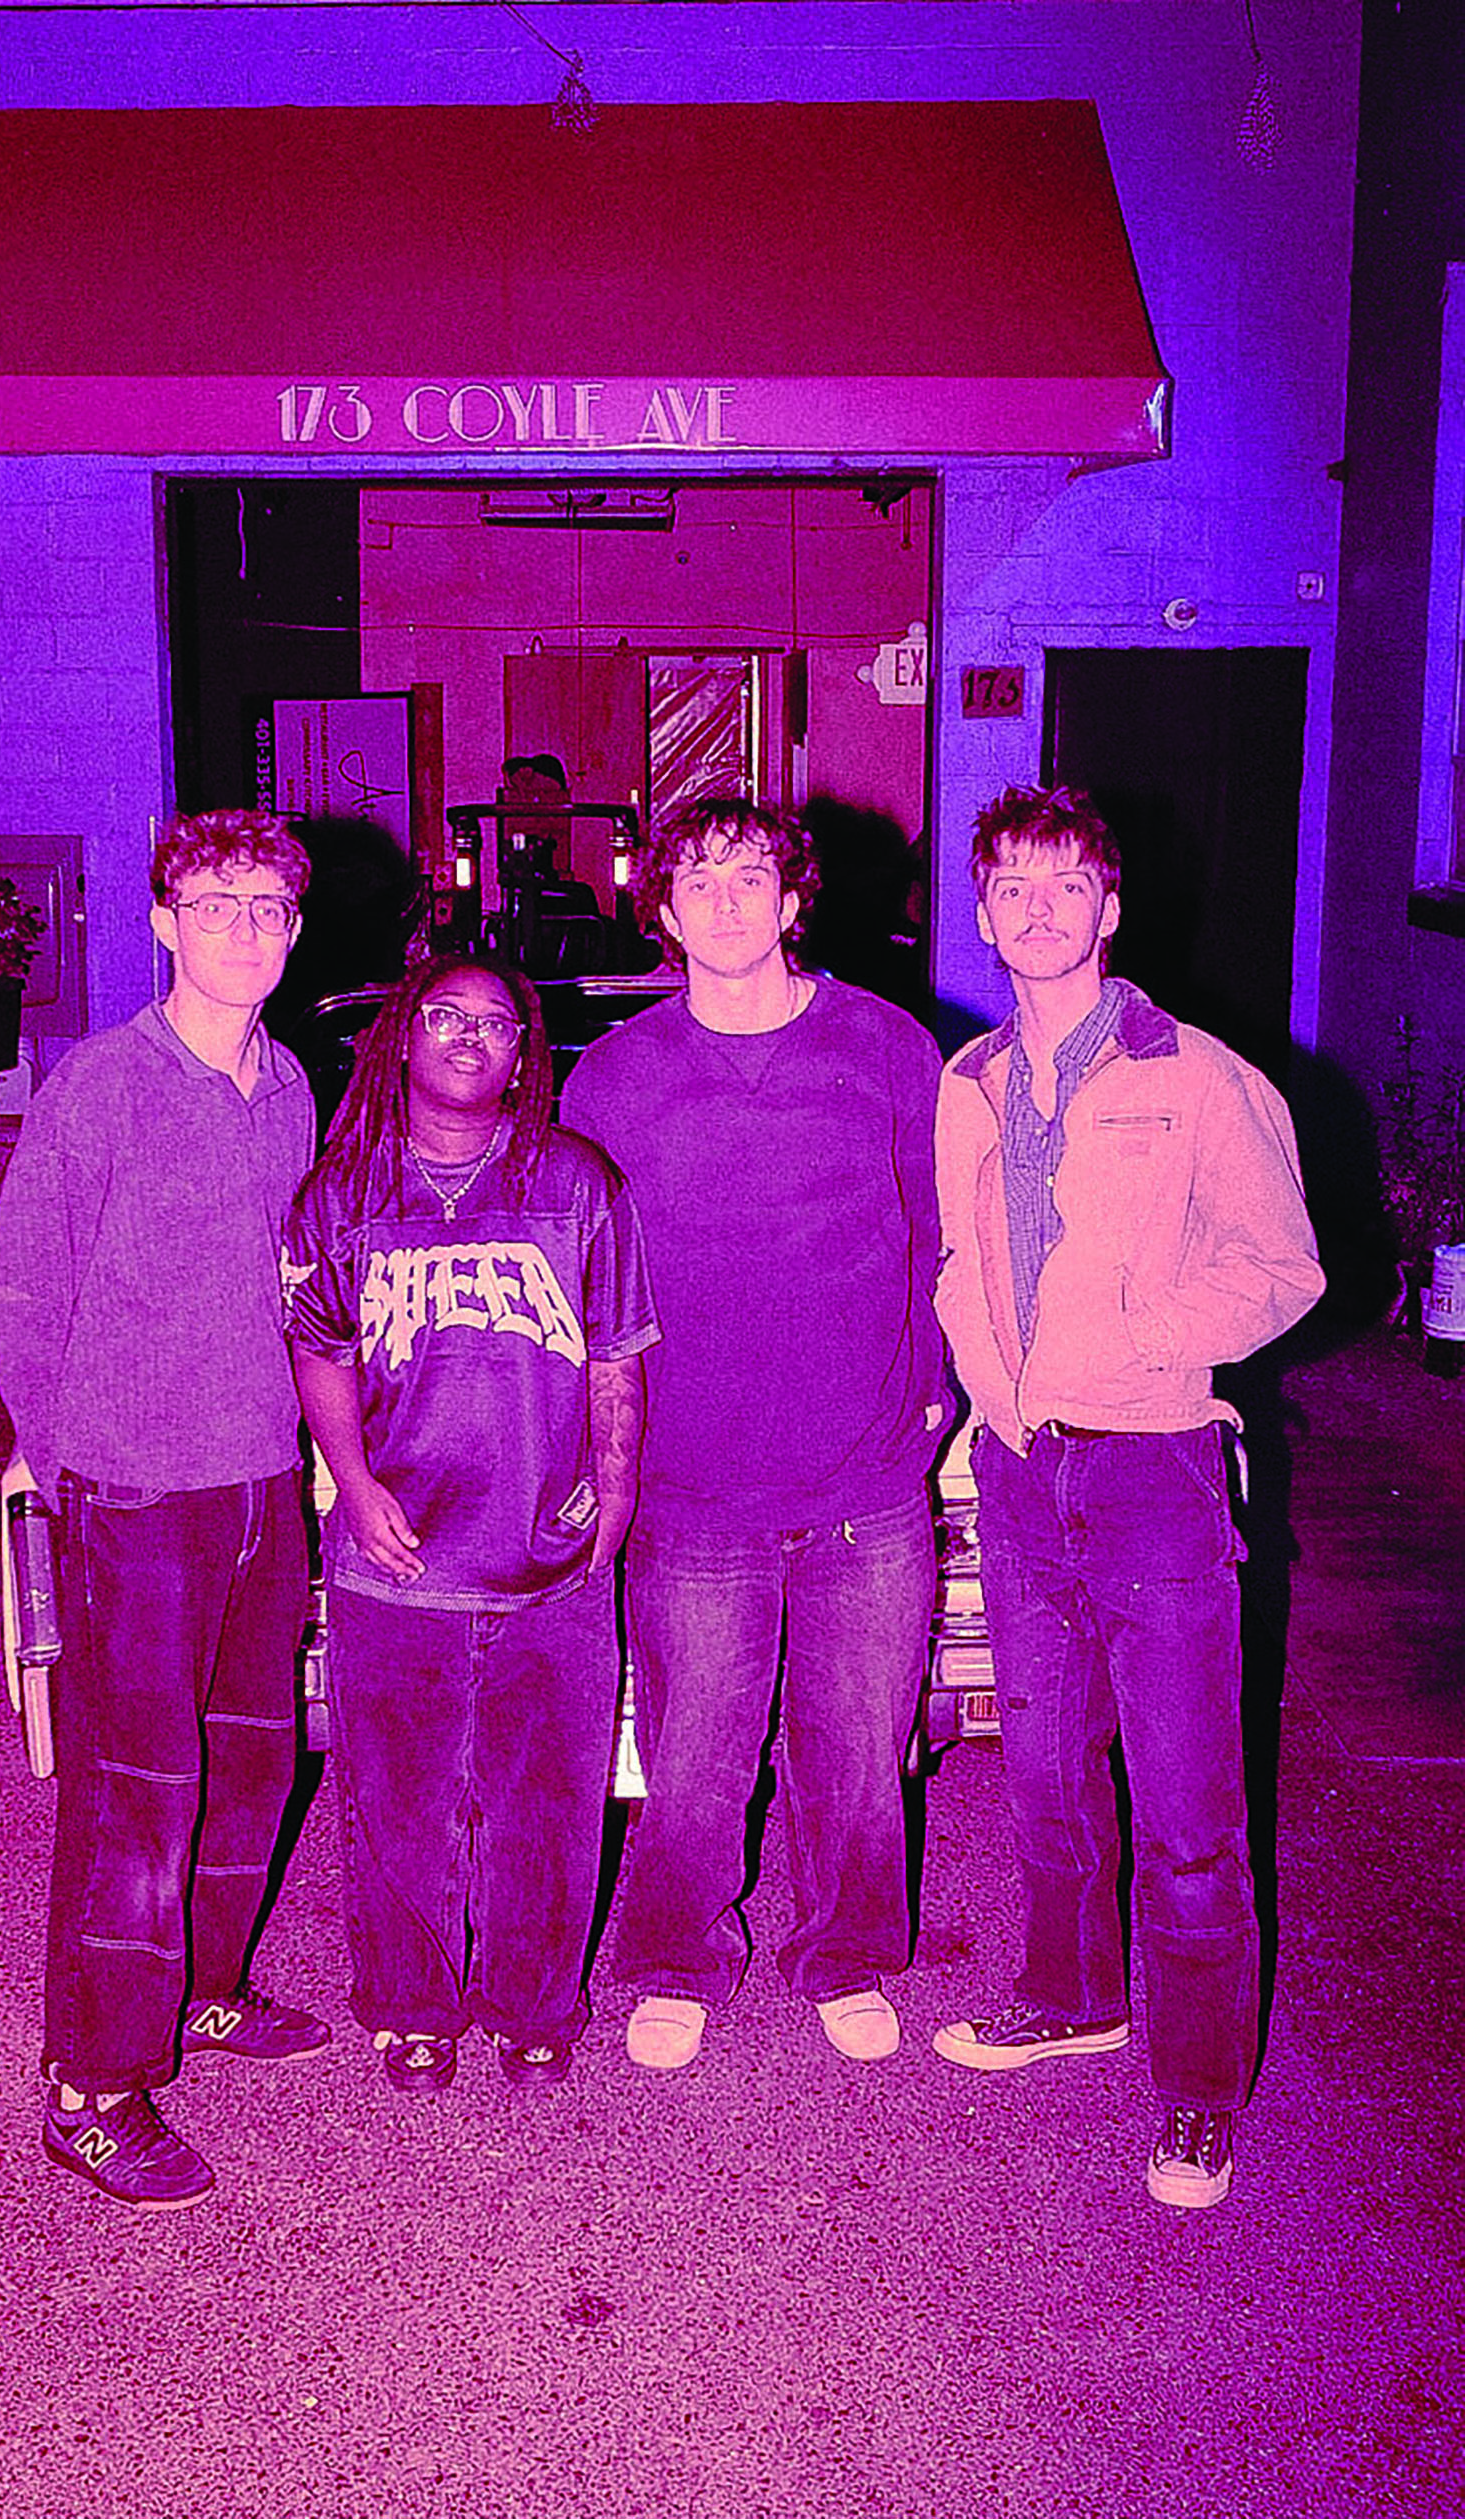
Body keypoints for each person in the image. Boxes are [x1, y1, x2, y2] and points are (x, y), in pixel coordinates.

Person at [931, 783, 1324, 2209]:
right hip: (1022, 1465)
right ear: (983, 917)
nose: (1037, 909)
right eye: (1011, 888)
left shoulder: (1200, 1076)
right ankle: (1073, 1989)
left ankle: (1200, 2088)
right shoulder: (966, 1079)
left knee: (1187, 1803)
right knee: (1042, 1766)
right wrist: (995, 1392)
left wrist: (1142, 1341)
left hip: (1155, 1463)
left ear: (1110, 908)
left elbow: (1283, 1268)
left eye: (1065, 885)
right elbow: (961, 1263)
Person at [561, 798, 948, 2073]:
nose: (727, 898)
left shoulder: (889, 1046)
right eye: (699, 880)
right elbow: (585, 1272)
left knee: (857, 1738)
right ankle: (678, 1955)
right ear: (663, 916)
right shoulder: (613, 1073)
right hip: (693, 1478)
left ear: (795, 903)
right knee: (694, 1744)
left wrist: (932, 1385)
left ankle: (844, 1950)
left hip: (868, 1471)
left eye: (752, 875)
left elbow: (934, 1229)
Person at [0, 807, 328, 2210]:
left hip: (262, 1480)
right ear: (164, 923)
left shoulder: (292, 1081)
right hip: (134, 1491)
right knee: (137, 1794)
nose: (245, 922)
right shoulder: (100, 1087)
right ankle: (93, 2080)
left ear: (295, 932)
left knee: (253, 1763)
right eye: (216, 898)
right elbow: (21, 1293)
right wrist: (68, 1459)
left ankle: (210, 1984)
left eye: (270, 902)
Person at [285, 953, 657, 2093]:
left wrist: (618, 1489)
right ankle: (412, 2004)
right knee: (397, 1799)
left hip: (548, 1561)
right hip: (395, 1563)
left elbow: (615, 1359)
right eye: (445, 1015)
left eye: (495, 1023)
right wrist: (353, 1480)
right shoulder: (340, 1193)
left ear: (522, 1053)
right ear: (402, 1034)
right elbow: (318, 1347)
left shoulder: (576, 1182)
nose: (468, 1035)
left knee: (549, 1794)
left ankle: (535, 2002)